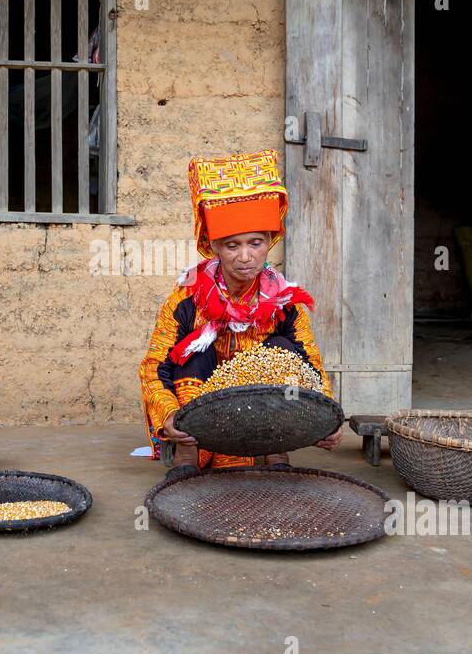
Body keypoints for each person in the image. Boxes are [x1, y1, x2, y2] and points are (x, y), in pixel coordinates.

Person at [138, 150, 346, 469]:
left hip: (259, 409)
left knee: (284, 350)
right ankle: (188, 452)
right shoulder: (186, 299)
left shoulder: (284, 302)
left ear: (269, 240)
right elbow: (155, 367)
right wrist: (168, 415)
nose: (246, 256)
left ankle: (275, 446)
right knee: (192, 350)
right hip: (200, 409)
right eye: (232, 245)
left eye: (256, 243)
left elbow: (311, 364)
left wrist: (324, 415)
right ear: (215, 246)